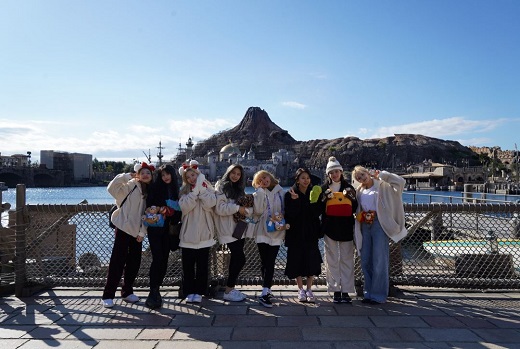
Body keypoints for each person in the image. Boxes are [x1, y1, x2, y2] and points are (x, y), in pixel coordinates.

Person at [352, 166, 408, 304]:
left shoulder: (382, 185)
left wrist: (383, 175)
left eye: (362, 174)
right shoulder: (358, 191)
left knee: (379, 260)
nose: (362, 178)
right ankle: (368, 293)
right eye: (358, 178)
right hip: (365, 224)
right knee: (365, 260)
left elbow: (400, 183)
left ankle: (378, 295)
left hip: (379, 224)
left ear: (368, 173)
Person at [102, 162, 154, 308]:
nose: (145, 175)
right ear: (137, 173)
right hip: (123, 227)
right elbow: (111, 188)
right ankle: (108, 294)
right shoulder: (130, 185)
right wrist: (124, 176)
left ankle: (127, 291)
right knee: (117, 261)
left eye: (148, 173)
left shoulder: (150, 191)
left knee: (134, 262)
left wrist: (142, 232)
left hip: (137, 231)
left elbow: (148, 214)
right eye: (142, 172)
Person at [215, 164, 264, 302]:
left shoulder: (239, 189)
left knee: (237, 258)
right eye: (233, 173)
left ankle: (230, 288)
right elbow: (219, 209)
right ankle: (229, 289)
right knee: (240, 258)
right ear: (228, 172)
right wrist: (238, 208)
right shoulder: (221, 187)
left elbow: (245, 208)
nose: (235, 176)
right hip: (227, 228)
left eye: (238, 174)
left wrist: (245, 210)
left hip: (239, 227)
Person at [178, 160, 217, 303]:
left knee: (202, 267)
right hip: (188, 235)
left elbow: (211, 204)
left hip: (204, 235)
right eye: (188, 177)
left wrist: (201, 190)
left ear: (198, 174)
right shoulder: (183, 192)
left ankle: (200, 292)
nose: (191, 179)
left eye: (193, 175)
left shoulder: (208, 189)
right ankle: (189, 291)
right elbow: (185, 207)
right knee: (187, 267)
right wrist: (195, 192)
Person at [320, 157, 358, 304]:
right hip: (330, 227)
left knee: (347, 259)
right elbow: (318, 208)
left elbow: (354, 208)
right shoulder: (324, 188)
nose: (334, 175)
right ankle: (335, 290)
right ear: (328, 174)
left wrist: (352, 198)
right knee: (331, 260)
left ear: (341, 172)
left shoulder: (349, 188)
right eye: (332, 172)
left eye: (337, 172)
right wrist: (324, 199)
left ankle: (347, 290)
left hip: (346, 227)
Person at [144, 164, 182, 309]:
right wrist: (161, 209)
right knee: (157, 258)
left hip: (169, 229)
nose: (166, 177)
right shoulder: (154, 187)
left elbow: (180, 211)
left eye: (168, 174)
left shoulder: (176, 190)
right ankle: (153, 291)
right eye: (163, 175)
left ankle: (157, 288)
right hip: (155, 228)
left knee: (164, 259)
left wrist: (174, 212)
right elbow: (149, 206)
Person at [283, 168, 323, 303]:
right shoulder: (290, 194)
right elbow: (290, 215)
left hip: (311, 232)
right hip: (295, 232)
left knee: (311, 260)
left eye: (307, 178)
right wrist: (295, 201)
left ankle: (309, 288)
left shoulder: (314, 193)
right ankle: (300, 289)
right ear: (297, 180)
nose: (306, 180)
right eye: (303, 178)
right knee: (296, 260)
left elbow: (317, 212)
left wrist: (313, 201)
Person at [251, 170, 285, 308]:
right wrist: (259, 192)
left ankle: (265, 291)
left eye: (264, 177)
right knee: (265, 262)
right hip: (262, 230)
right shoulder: (258, 193)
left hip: (276, 230)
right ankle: (266, 289)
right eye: (260, 180)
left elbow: (285, 209)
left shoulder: (281, 192)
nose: (263, 181)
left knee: (270, 261)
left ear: (270, 177)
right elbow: (258, 211)